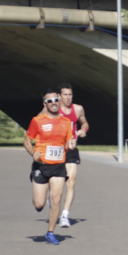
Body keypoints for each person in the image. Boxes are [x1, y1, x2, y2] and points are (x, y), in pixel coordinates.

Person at [24, 90, 76, 245]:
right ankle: (39, 196)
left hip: (59, 166)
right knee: (39, 204)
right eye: (50, 100)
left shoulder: (66, 122)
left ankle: (50, 232)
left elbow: (68, 142)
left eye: (56, 99)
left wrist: (70, 144)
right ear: (45, 104)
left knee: (56, 200)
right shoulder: (37, 121)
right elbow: (26, 140)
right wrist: (33, 153)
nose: (54, 102)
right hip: (41, 165)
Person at [45, 84, 88, 228]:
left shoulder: (78, 109)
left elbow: (85, 123)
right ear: (59, 96)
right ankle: (53, 200)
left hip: (71, 149)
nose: (68, 97)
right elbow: (39, 122)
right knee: (55, 184)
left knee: (70, 182)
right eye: (65, 95)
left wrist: (83, 130)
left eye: (70, 94)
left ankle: (65, 215)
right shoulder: (51, 108)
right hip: (55, 150)